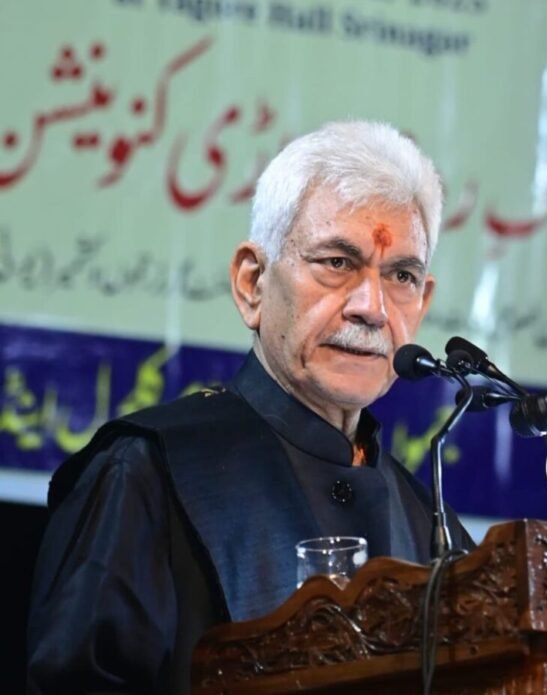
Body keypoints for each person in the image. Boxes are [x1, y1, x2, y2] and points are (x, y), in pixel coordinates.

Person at [26, 120, 472, 694]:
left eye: (401, 276)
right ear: (252, 283)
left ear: (424, 301)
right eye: (337, 262)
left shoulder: (430, 522)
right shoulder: (146, 475)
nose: (372, 308)